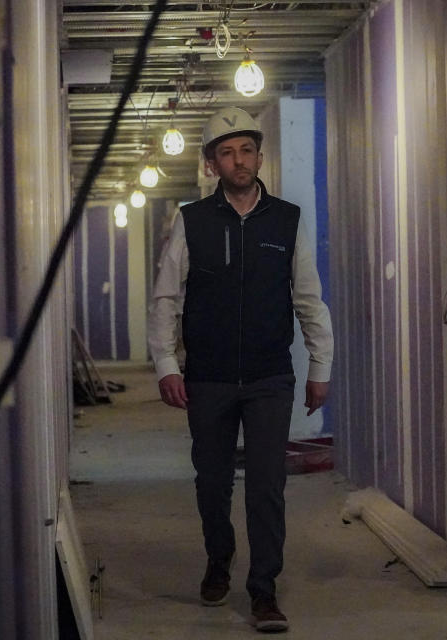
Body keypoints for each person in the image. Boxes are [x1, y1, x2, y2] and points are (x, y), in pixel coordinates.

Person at [148, 106, 333, 633]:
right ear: (212, 165)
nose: (239, 160)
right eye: (227, 153)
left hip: (270, 375)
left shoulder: (287, 220)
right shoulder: (193, 222)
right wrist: (166, 363)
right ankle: (218, 559)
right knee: (212, 481)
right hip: (206, 376)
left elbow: (309, 298)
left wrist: (320, 364)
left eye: (246, 149)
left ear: (258, 155)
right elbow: (166, 297)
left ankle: (264, 590)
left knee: (267, 486)